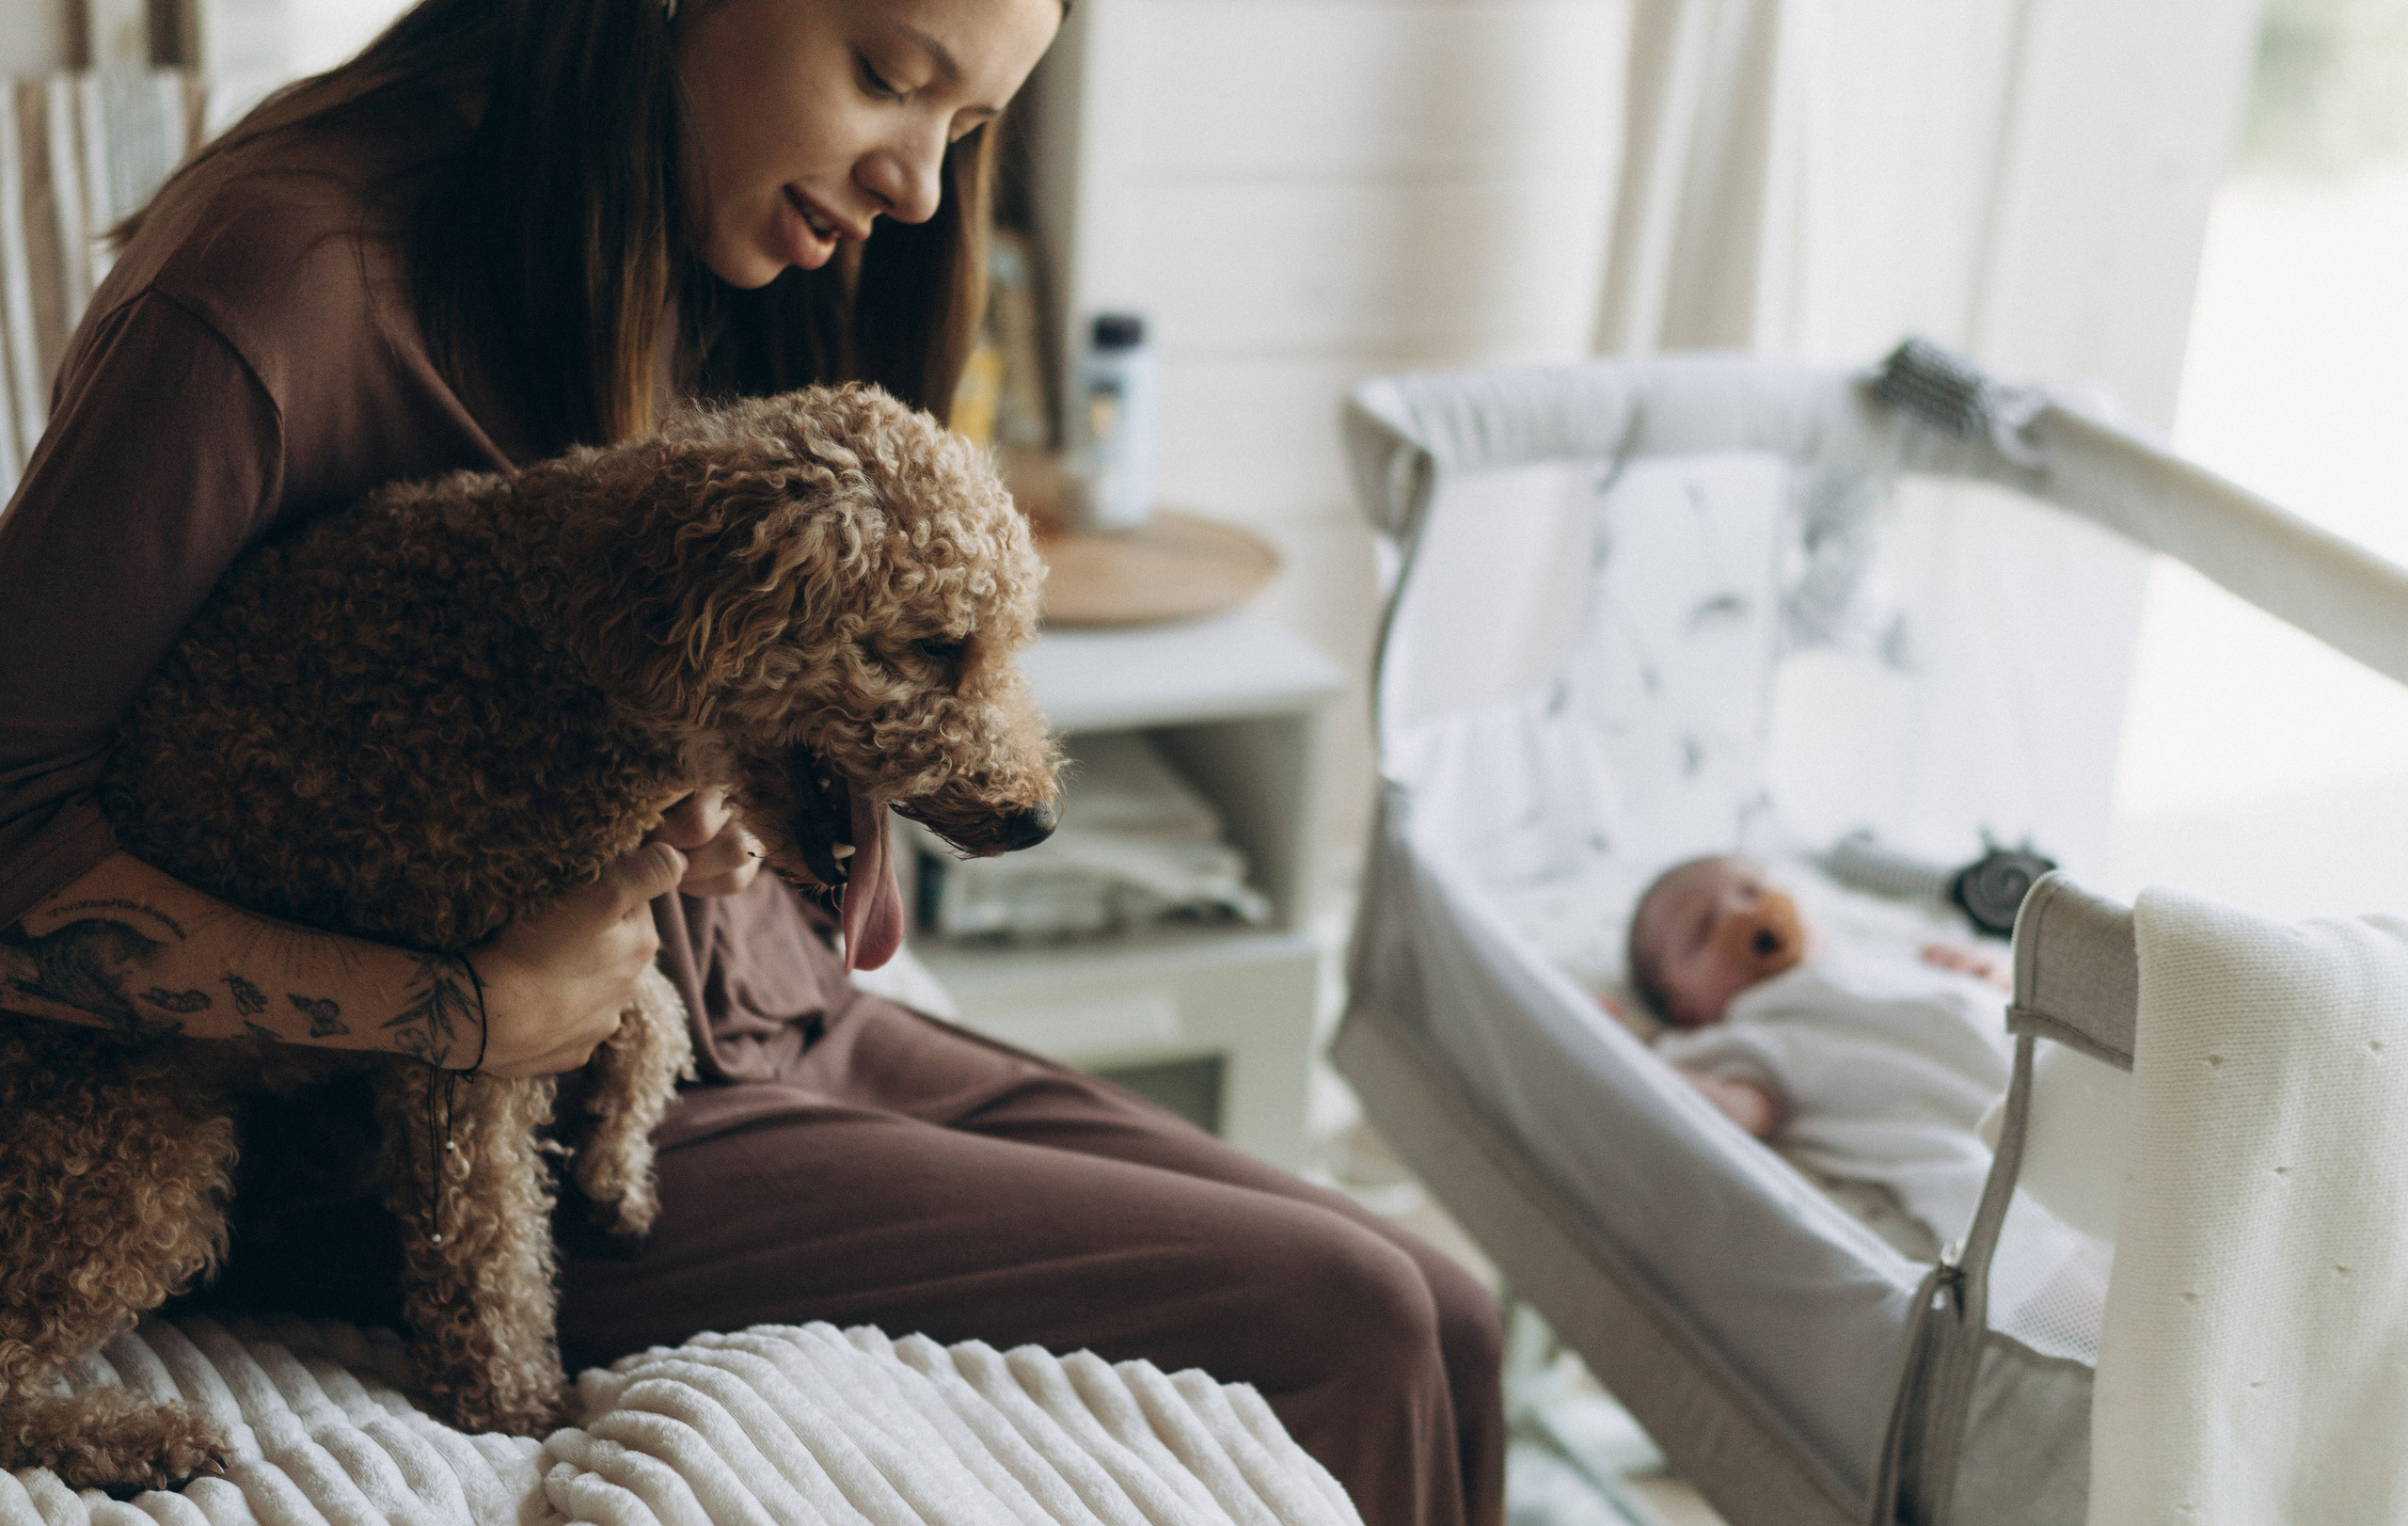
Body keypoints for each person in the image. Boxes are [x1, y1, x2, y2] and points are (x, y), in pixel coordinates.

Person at [0, 3, 1504, 1520]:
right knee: (1353, 1325)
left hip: (763, 1010)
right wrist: (465, 1010)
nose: (916, 184)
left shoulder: (744, 238)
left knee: (1449, 1306)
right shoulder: (280, 287)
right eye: (886, 79)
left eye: (966, 128)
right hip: (483, 1129)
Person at [1621, 854, 2012, 1248]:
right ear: (1683, 1009)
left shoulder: (1886, 954)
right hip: (1964, 1140)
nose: (1739, 913)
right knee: (2005, 1219)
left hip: (2034, 1061)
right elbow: (1737, 1110)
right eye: (1703, 932)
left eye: (1751, 891)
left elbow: (1993, 996)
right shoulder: (1747, 1035)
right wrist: (1626, 1049)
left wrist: (1987, 975)